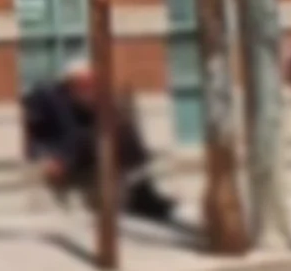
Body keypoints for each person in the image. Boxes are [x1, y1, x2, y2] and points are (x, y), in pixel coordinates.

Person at [21, 59, 176, 225]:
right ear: (71, 83)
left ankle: (143, 193)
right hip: (69, 154)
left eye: (93, 83)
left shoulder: (95, 99)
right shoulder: (48, 98)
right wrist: (47, 156)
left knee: (124, 132)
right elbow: (30, 132)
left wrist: (99, 106)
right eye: (85, 84)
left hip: (92, 148)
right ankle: (140, 195)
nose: (90, 88)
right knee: (109, 137)